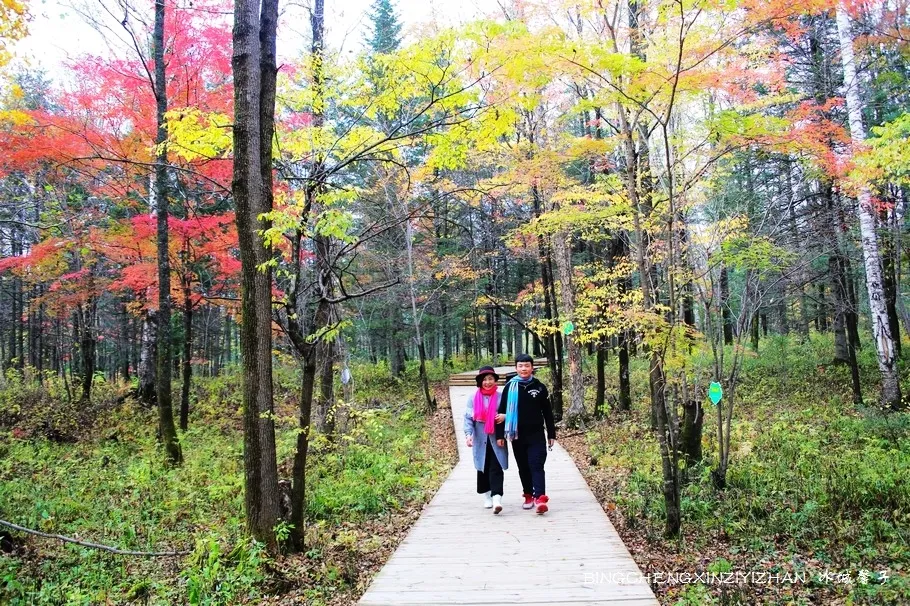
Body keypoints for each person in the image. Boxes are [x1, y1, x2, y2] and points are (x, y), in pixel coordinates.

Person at [497, 354, 556, 514]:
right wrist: (499, 435)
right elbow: (501, 413)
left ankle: (540, 498)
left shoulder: (539, 387)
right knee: (523, 466)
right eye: (521, 366)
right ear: (516, 368)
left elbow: (547, 412)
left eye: (527, 366)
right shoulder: (510, 387)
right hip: (517, 435)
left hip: (536, 434)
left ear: (532, 368)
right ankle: (528, 494)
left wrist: (551, 433)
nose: (524, 369)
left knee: (537, 464)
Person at [464, 366, 509, 514]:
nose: (488, 382)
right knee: (483, 466)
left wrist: (504, 419)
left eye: (490, 379)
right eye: (485, 379)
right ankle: (487, 495)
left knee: (496, 466)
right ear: (480, 382)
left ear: (495, 380)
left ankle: (497, 498)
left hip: (497, 438)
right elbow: (468, 419)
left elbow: (509, 415)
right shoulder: (473, 398)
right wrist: (468, 434)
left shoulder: (502, 396)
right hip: (480, 438)